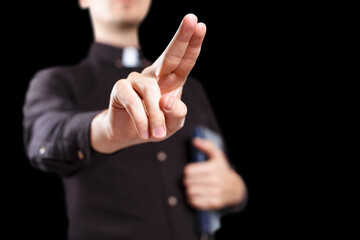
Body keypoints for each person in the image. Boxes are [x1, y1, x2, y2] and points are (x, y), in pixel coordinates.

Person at [23, 0, 247, 239]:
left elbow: (223, 169)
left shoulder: (192, 89)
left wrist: (236, 191)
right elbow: (44, 139)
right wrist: (107, 130)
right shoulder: (57, 81)